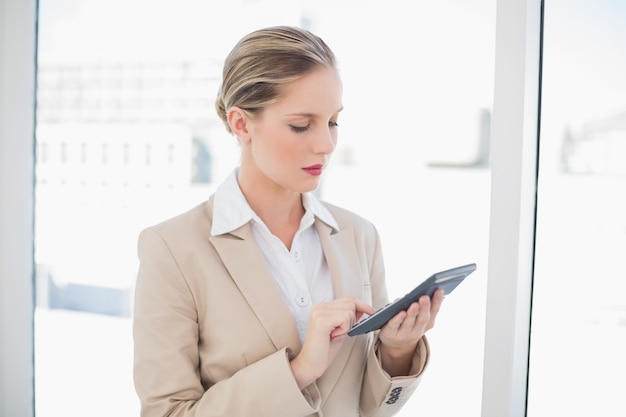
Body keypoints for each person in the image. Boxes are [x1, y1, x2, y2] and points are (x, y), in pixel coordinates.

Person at [132, 25, 445, 417]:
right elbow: (167, 412)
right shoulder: (173, 249)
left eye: (333, 121)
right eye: (301, 125)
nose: (326, 145)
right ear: (241, 124)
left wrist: (398, 352)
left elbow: (369, 409)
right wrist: (296, 372)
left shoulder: (359, 236)